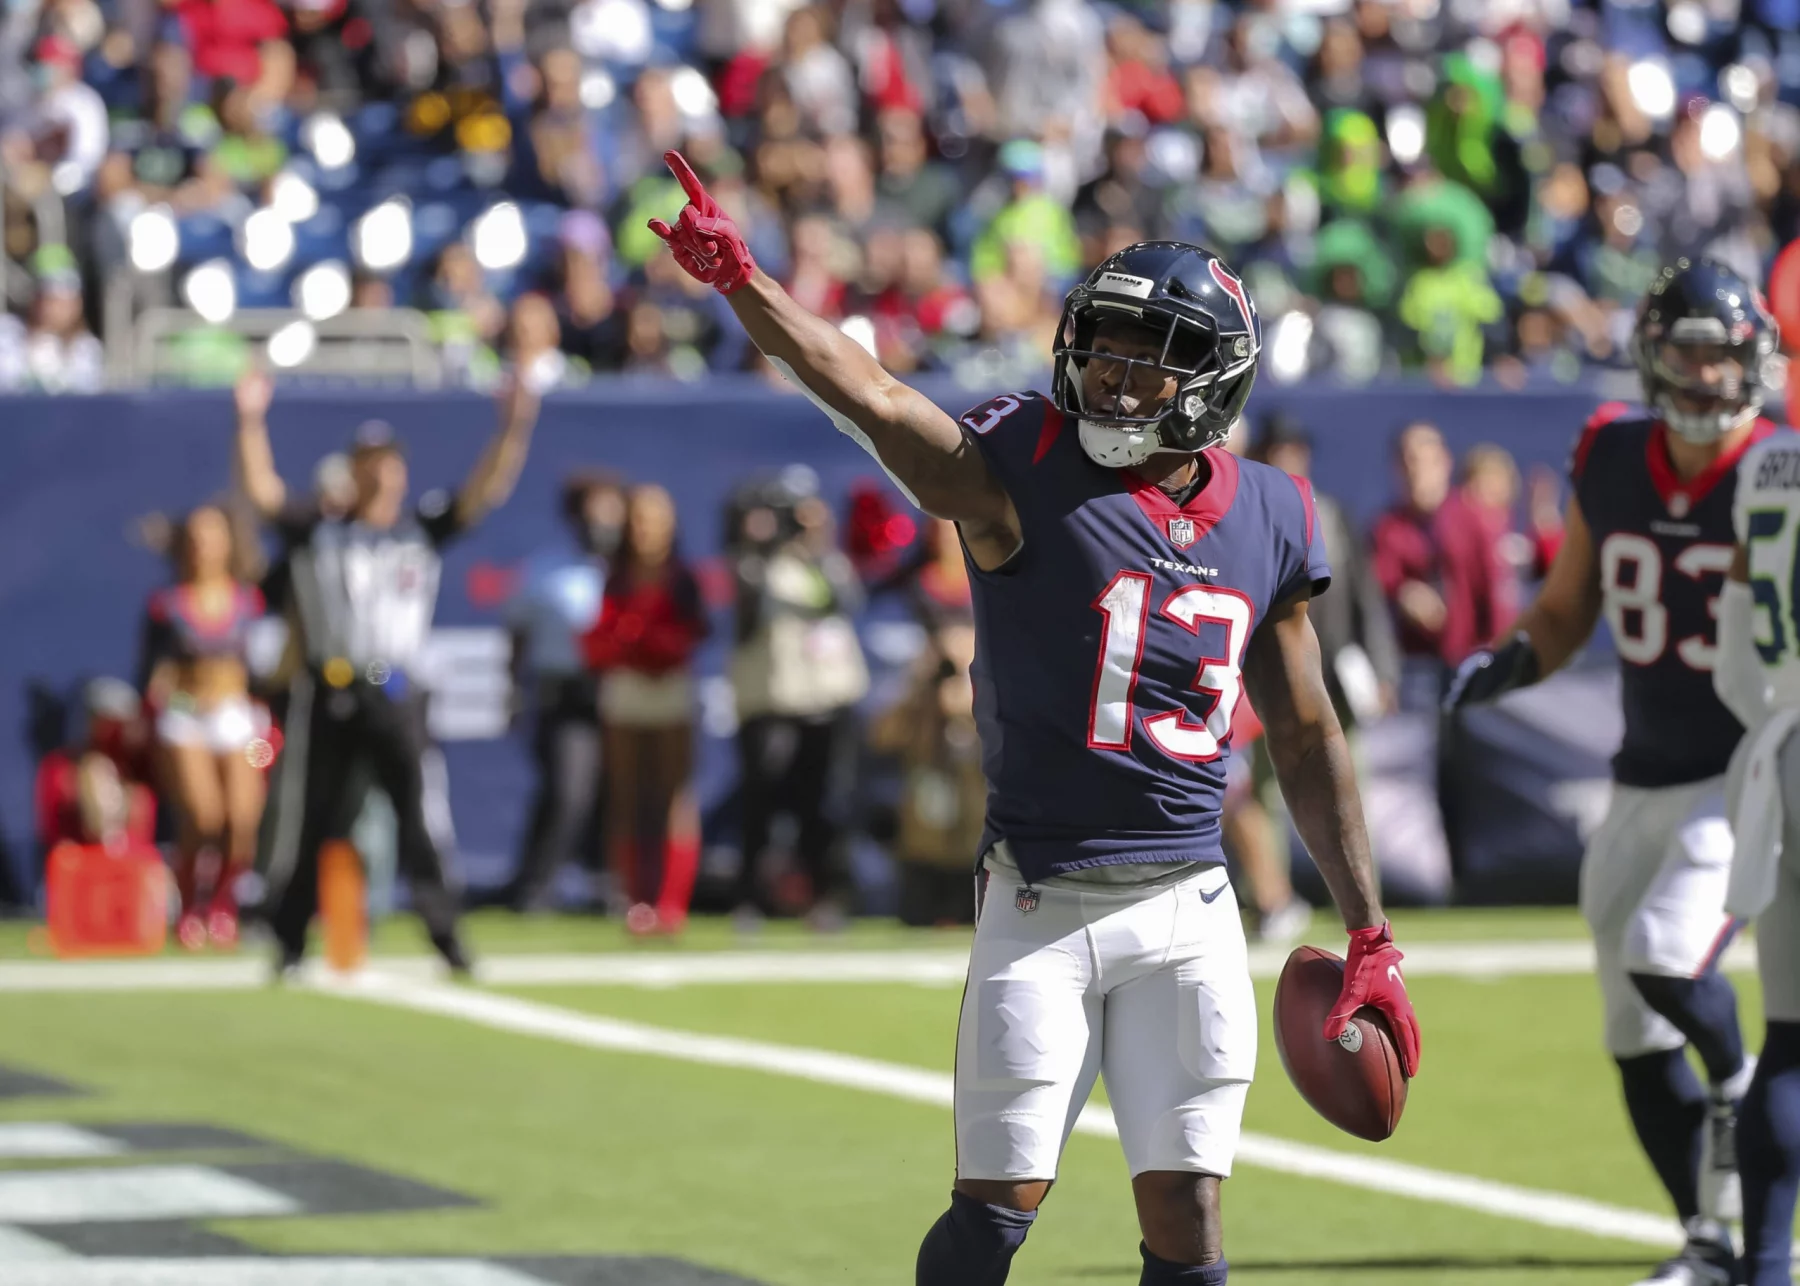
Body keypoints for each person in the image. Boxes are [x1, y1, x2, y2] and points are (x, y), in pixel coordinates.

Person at [647, 151, 1419, 1285]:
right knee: (994, 1215)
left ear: (1212, 381)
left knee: (1191, 1220)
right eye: (1103, 345)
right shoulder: (1027, 464)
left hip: (1191, 905)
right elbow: (879, 401)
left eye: (1148, 359)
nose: (1112, 376)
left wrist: (1369, 928)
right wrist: (745, 285)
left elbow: (1306, 734)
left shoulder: (1274, 512)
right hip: (1040, 901)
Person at [1445, 258, 1775, 1286]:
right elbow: (1565, 608)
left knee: (1667, 956)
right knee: (1631, 1030)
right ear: (1652, 356)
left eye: (1725, 356)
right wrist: (1508, 663)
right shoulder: (1613, 451)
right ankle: (1707, 1240)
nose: (1710, 376)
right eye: (1691, 353)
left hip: (1742, 773)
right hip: (1641, 771)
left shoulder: (1780, 470)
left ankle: (1743, 1082)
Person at [233, 369, 540, 976]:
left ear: (401, 472)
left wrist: (514, 425)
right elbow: (263, 492)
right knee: (311, 816)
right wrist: (248, 421)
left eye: (388, 463)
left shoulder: (418, 530)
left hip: (396, 688)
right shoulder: (319, 532)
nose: (379, 474)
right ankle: (289, 939)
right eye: (367, 463)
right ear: (352, 470)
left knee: (421, 817)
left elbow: (484, 490)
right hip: (330, 685)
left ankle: (446, 934)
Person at [1714, 423, 1800, 1286]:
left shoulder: (1771, 463)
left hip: (1778, 754)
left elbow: (1733, 669)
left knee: (1789, 1038)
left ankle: (1768, 1264)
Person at [727, 470, 869, 928]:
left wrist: (818, 544)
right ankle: (750, 899)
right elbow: (749, 608)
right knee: (762, 803)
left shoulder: (824, 561)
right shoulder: (753, 563)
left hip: (826, 699)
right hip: (773, 699)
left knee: (822, 806)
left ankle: (824, 898)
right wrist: (764, 540)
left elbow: (848, 602)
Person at [138, 505, 267, 949]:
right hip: (185, 718)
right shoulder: (165, 606)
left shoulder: (250, 602)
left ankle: (224, 905)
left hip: (237, 719)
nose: (203, 546)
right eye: (195, 537)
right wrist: (180, 698)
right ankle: (190, 904)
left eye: (212, 536)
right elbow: (151, 679)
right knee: (203, 815)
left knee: (242, 819)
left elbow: (261, 669)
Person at [582, 483, 708, 935]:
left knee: (674, 794)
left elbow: (697, 630)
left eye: (654, 519)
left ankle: (671, 904)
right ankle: (634, 900)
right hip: (626, 689)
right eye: (638, 519)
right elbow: (600, 630)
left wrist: (664, 645)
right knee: (628, 795)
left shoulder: (683, 577)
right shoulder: (615, 575)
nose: (645, 529)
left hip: (670, 690)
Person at [501, 472, 622, 913]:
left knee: (618, 793)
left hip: (624, 694)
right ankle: (536, 884)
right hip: (565, 692)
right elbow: (518, 633)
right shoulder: (547, 569)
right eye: (592, 513)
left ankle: (609, 884)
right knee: (568, 788)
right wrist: (513, 691)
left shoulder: (633, 571)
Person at [1370, 420, 1508, 685]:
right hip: (1414, 667)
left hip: (1471, 663)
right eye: (1407, 462)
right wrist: (1402, 593)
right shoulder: (1387, 528)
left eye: (1423, 461)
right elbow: (1376, 584)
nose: (1415, 471)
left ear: (1444, 463)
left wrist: (1495, 661)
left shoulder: (1473, 520)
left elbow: (1495, 596)